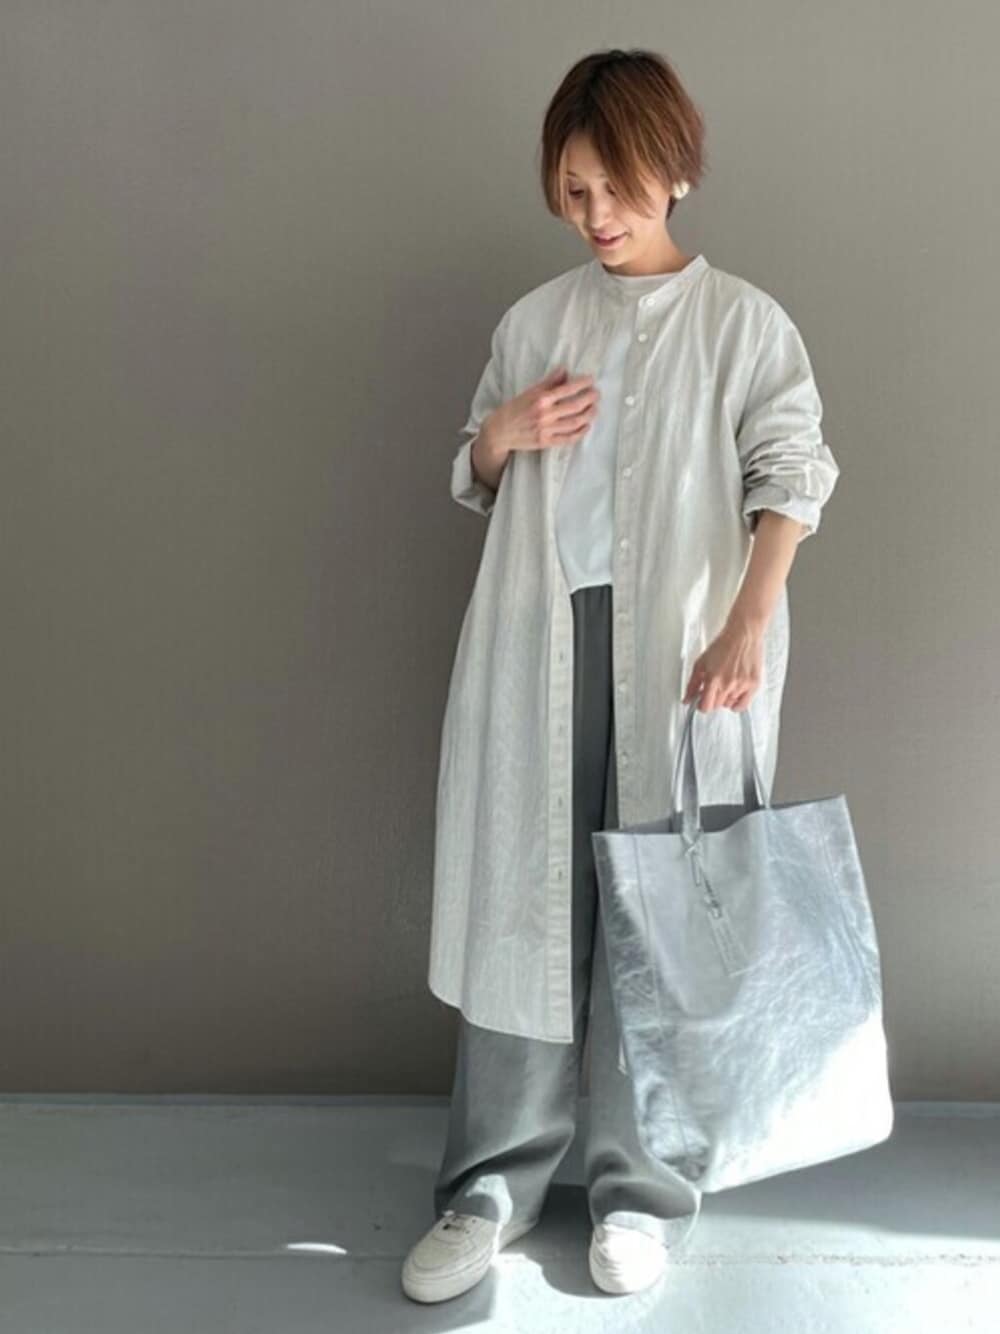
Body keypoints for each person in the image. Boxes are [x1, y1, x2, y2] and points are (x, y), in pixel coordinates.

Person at [402, 47, 840, 1304]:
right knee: (524, 906)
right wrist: (500, 435)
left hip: (682, 659)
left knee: (662, 917)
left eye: (618, 187)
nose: (596, 214)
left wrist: (748, 621)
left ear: (676, 171)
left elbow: (793, 474)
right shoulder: (535, 322)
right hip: (539, 646)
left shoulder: (743, 322)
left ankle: (642, 1193)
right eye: (575, 190)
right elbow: (476, 469)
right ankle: (487, 1188)